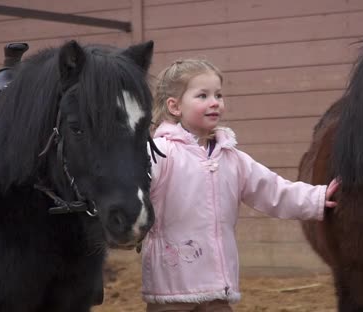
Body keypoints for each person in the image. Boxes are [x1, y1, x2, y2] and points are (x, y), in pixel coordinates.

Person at [142, 59, 339, 312]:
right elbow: (131, 192)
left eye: (219, 95)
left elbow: (273, 190)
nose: (215, 102)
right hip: (171, 289)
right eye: (203, 95)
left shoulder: (231, 158)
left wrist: (318, 198)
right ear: (175, 106)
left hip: (217, 289)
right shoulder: (159, 154)